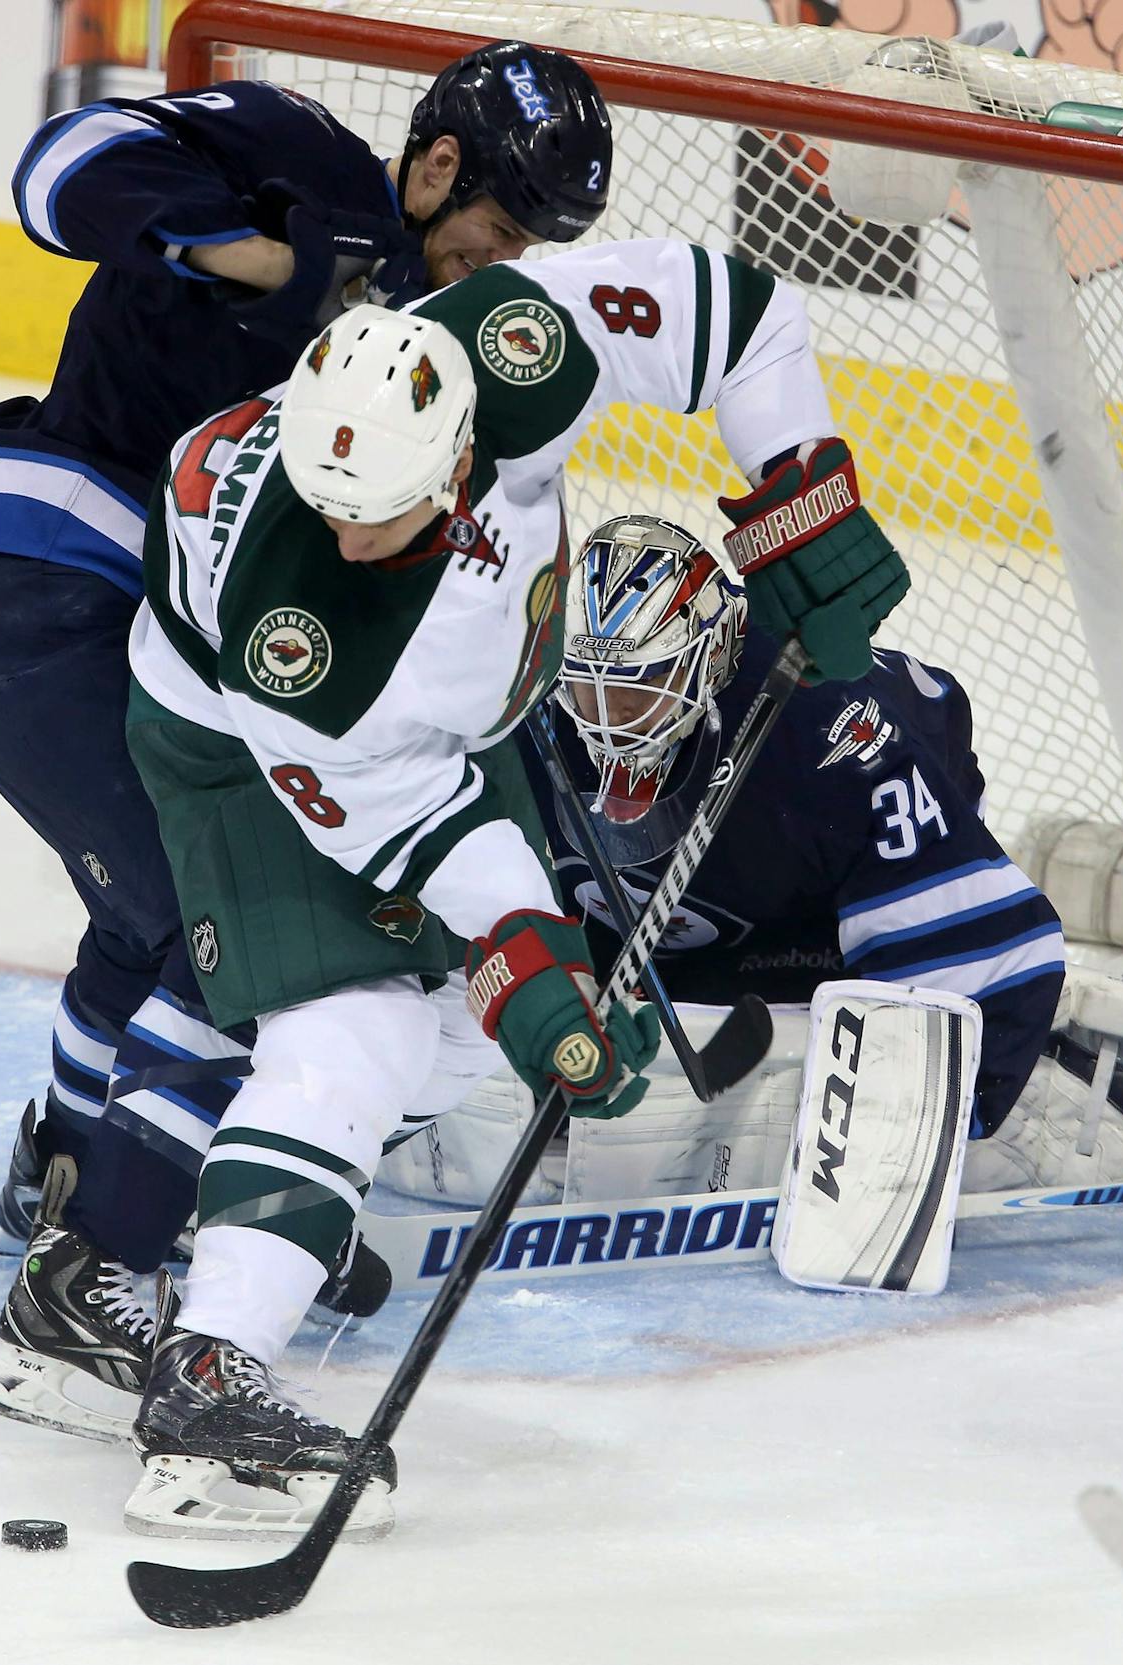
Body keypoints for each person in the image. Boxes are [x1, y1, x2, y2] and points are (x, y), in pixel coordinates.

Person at [46, 230, 919, 1538]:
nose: (346, 537)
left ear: (458, 449)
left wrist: (803, 492)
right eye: (330, 510)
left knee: (450, 1040)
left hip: (457, 715)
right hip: (237, 748)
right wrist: (533, 961)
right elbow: (421, 832)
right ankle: (208, 1377)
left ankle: (292, 1206)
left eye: (379, 512)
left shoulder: (510, 342)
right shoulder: (302, 639)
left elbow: (741, 313)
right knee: (359, 1022)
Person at [0, 43, 612, 1421]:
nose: (509, 262)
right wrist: (272, 263)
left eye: (538, 245)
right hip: (48, 591)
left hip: (141, 643)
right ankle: (95, 1262)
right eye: (499, 224)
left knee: (149, 924)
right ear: (433, 167)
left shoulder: (446, 353)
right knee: (219, 927)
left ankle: (70, 1170)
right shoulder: (301, 157)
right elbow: (58, 173)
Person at [386, 512, 1123, 1269]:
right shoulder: (526, 714)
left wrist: (916, 1131)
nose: (604, 721)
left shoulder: (835, 737)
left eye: (634, 689)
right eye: (587, 685)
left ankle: (1109, 1088)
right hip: (705, 916)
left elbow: (988, 961)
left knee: (923, 1027)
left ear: (707, 660)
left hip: (838, 884)